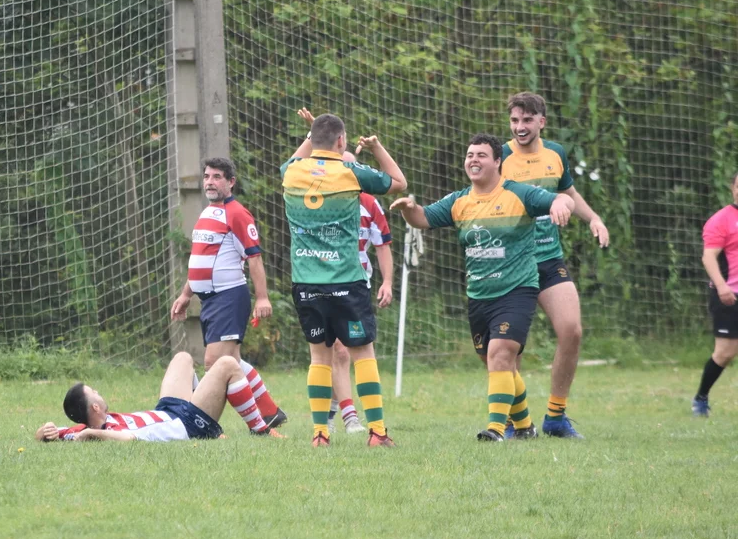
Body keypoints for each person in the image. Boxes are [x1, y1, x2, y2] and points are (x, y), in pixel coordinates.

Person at [392, 133, 575, 441]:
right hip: (479, 295)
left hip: (517, 290)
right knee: (498, 364)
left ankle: (495, 429)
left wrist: (561, 204)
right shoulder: (459, 201)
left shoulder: (519, 194)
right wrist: (408, 207)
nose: (473, 160)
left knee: (501, 353)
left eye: (481, 155)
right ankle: (525, 426)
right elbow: (421, 218)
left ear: (498, 162)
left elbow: (562, 198)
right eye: (469, 155)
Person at [281, 110, 407, 447]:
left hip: (306, 282)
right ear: (341, 141)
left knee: (318, 358)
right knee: (363, 354)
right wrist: (377, 148)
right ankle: (377, 432)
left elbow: (297, 157)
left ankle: (320, 434)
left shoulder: (291, 172)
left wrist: (310, 136)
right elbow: (399, 182)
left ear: (312, 140)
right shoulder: (350, 172)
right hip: (346, 281)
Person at [500, 92, 609, 439]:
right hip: (513, 265)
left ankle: (556, 417)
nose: (520, 127)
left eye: (527, 120)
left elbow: (569, 194)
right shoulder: (500, 157)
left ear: (541, 122)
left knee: (572, 330)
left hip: (548, 258)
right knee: (511, 345)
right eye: (515, 120)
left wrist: (594, 218)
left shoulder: (555, 154)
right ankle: (512, 420)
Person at [170, 158, 286, 429]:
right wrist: (186, 294)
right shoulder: (207, 213)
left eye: (217, 177)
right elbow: (200, 260)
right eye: (206, 176)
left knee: (215, 364)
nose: (210, 182)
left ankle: (208, 424)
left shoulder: (237, 214)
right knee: (231, 361)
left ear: (231, 182)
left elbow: (254, 258)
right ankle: (270, 413)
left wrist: (262, 297)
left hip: (228, 298)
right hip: (210, 300)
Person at [35, 352, 284, 442]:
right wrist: (92, 433)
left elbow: (47, 434)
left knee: (183, 358)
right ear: (95, 408)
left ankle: (209, 416)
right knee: (228, 363)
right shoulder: (102, 433)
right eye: (94, 393)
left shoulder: (80, 430)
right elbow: (127, 439)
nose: (98, 392)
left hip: (167, 409)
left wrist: (45, 430)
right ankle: (260, 430)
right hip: (187, 423)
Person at [692, 172, 738, 416]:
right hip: (729, 295)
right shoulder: (721, 220)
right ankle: (701, 398)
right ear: (732, 188)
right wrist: (722, 287)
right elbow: (708, 256)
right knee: (725, 353)